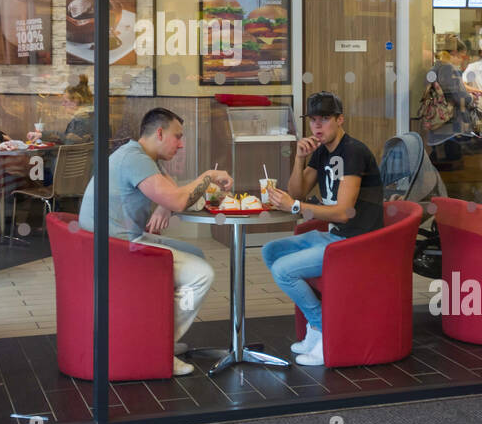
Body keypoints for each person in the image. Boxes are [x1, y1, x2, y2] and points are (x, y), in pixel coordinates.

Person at [78, 107, 231, 377]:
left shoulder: (140, 156)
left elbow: (172, 195)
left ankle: (160, 334)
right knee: (201, 274)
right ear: (159, 133)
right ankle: (156, 345)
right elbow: (178, 198)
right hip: (118, 250)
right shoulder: (135, 159)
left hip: (112, 242)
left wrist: (165, 206)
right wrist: (207, 176)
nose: (181, 144)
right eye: (178, 137)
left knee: (195, 253)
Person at [262, 91, 384, 367]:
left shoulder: (353, 151)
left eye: (325, 119)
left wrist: (295, 207)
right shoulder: (322, 152)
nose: (317, 126)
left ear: (340, 119)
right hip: (334, 236)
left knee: (283, 270)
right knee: (271, 251)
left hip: (356, 242)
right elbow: (298, 191)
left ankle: (321, 327)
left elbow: (343, 213)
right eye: (313, 120)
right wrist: (299, 159)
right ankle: (318, 327)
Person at [425, 36, 473, 167]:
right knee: (454, 165)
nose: (461, 60)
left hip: (437, 123)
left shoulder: (435, 67)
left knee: (441, 164)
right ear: (454, 53)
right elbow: (461, 97)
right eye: (462, 57)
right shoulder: (448, 69)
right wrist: (472, 98)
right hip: (450, 128)